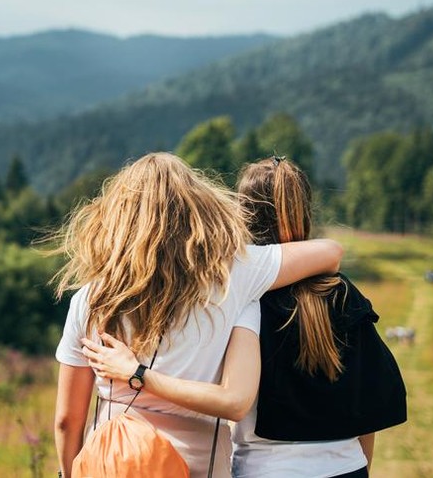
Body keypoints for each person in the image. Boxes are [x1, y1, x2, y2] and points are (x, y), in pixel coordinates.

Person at [85, 157, 406, 477]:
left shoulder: (238, 293)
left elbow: (228, 397)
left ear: (243, 212)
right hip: (347, 466)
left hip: (264, 470)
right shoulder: (342, 293)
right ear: (306, 210)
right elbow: (368, 404)